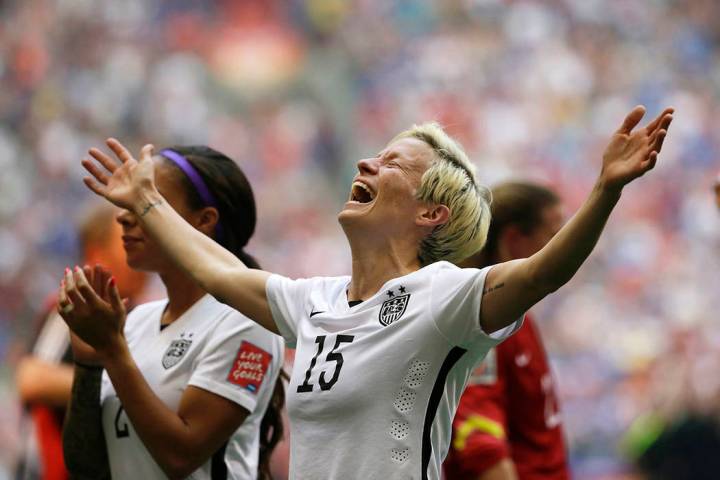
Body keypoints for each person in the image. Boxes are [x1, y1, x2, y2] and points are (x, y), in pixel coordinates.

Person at [79, 105, 673, 479]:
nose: (364, 162)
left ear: (430, 213)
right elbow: (219, 272)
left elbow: (541, 273)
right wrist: (147, 202)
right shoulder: (316, 301)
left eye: (390, 163)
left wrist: (606, 190)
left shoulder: (444, 298)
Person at [57, 146, 285, 480]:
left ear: (204, 221)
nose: (122, 213)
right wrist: (89, 364)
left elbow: (181, 457)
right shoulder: (135, 321)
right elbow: (87, 468)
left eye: (149, 199)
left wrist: (111, 351)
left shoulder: (246, 320)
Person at [443, 182, 569, 480]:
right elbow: (481, 447)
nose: (567, 247)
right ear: (513, 239)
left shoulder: (517, 316)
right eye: (554, 236)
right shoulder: (485, 320)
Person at [14, 203, 148, 480]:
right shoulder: (75, 307)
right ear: (96, 254)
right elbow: (32, 379)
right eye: (129, 243)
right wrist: (128, 385)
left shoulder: (140, 317)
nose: (141, 255)